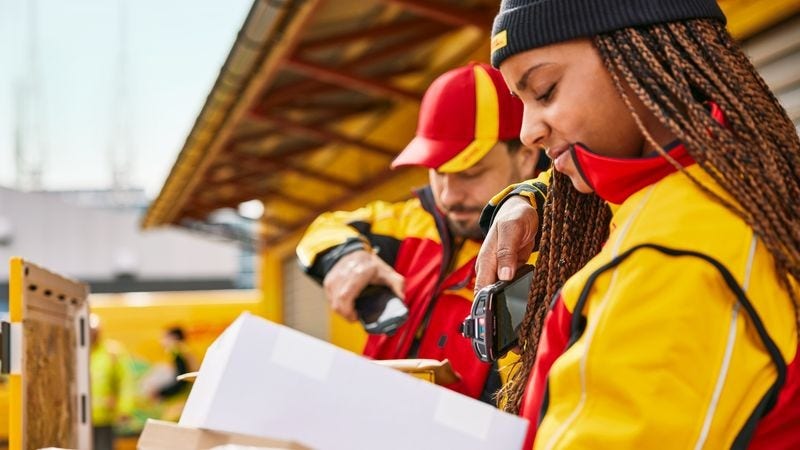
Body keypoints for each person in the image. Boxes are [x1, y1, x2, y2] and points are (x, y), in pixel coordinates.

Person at [475, 0, 800, 448]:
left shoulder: (669, 259)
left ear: (641, 55)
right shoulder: (748, 183)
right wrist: (529, 196)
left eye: (545, 90)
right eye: (521, 101)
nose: (529, 130)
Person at [296, 62, 546, 400]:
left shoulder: (558, 241)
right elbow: (324, 228)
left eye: (470, 173)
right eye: (437, 171)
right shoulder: (408, 222)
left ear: (527, 157)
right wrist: (346, 257)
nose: (447, 195)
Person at [89, 314, 135, 450]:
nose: (92, 334)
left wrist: (125, 409)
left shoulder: (112, 352)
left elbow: (126, 382)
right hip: (79, 418)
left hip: (104, 417)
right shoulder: (75, 351)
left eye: (94, 331)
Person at [155, 326, 192, 400]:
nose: (161, 341)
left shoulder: (178, 352)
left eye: (164, 337)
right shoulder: (183, 350)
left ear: (174, 337)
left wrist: (162, 393)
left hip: (187, 395)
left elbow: (183, 378)